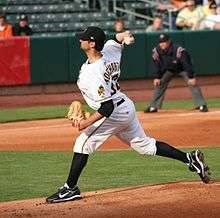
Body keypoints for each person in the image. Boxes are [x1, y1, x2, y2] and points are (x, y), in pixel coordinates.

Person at [46, 26, 210, 204]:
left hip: (114, 113)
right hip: (126, 106)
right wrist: (125, 36)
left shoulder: (92, 74)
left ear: (92, 44)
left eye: (83, 38)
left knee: (82, 144)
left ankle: (70, 189)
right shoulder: (108, 49)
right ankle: (189, 158)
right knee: (144, 146)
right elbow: (118, 39)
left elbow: (106, 108)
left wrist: (85, 124)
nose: (80, 40)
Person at [144, 33, 208, 113]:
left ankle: (201, 104)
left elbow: (187, 63)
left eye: (164, 42)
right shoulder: (156, 51)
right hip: (169, 69)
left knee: (192, 83)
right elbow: (156, 64)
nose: (162, 44)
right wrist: (157, 77)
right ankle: (153, 106)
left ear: (169, 41)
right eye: (160, 42)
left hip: (182, 68)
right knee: (159, 84)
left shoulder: (178, 50)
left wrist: (191, 77)